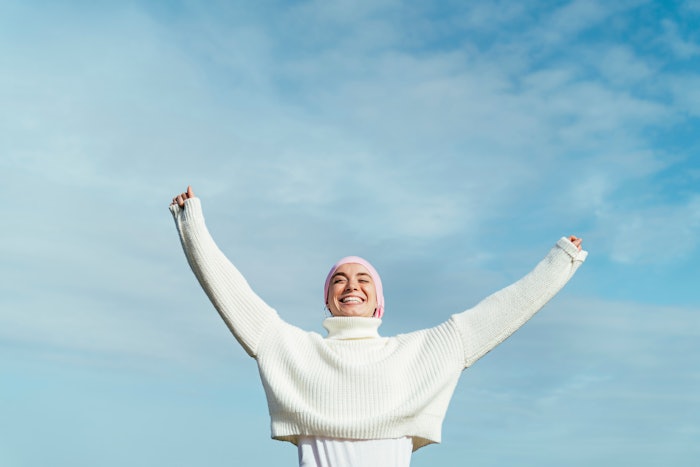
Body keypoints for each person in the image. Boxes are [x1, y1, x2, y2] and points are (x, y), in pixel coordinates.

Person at [170, 186, 587, 467]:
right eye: (339, 280)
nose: (351, 285)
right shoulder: (293, 351)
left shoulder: (420, 353)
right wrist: (192, 225)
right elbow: (231, 294)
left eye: (362, 279)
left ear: (378, 302)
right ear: (328, 298)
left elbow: (502, 311)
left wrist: (560, 262)